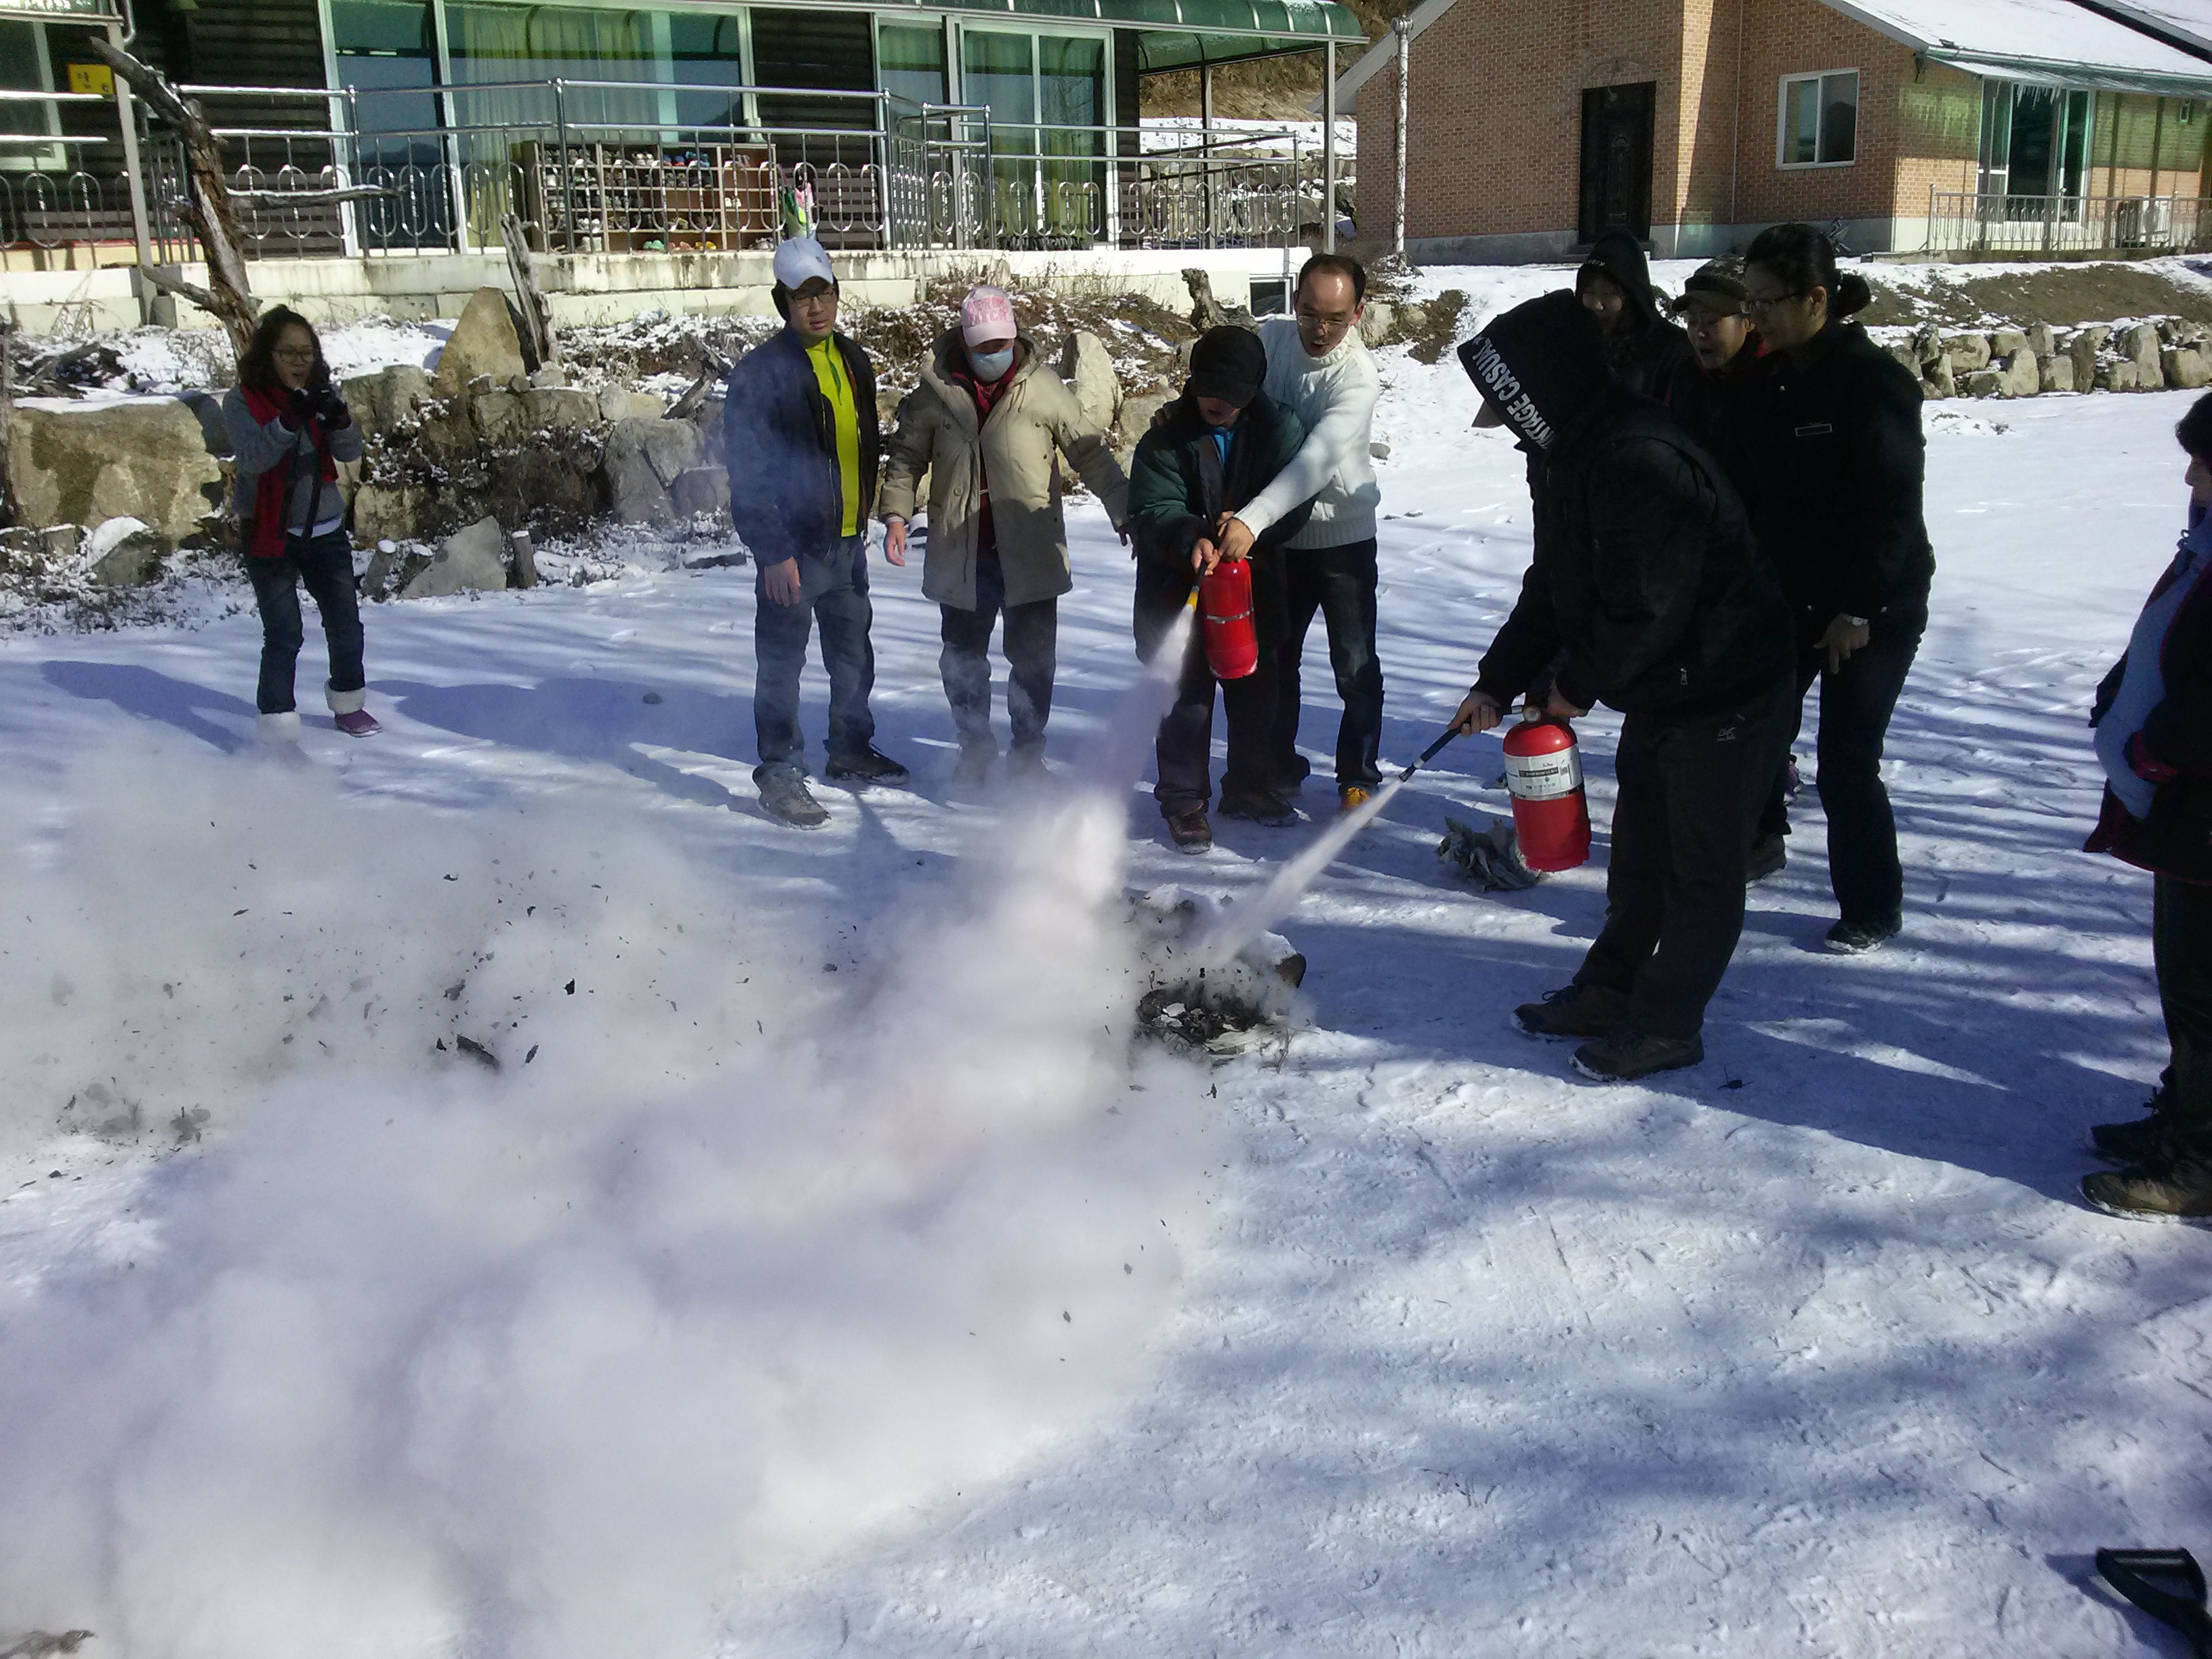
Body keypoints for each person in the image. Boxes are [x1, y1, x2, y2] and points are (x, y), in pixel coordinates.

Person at [1451, 291, 1794, 1082]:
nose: (1510, 428)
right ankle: (1609, 992)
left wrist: (1574, 686)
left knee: (1701, 871)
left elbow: (1650, 604)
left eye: (1514, 408)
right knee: (1639, 860)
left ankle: (1668, 1025)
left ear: (1547, 388)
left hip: (1728, 682)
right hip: (1666, 686)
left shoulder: (1640, 457)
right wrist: (1496, 681)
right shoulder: (1565, 452)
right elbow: (1553, 584)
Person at [1731, 223, 1934, 948]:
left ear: (1816, 298)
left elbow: (1892, 508)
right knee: (1753, 730)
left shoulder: (1873, 383)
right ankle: (1749, 850)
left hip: (1873, 604)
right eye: (1750, 302)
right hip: (1792, 593)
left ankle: (1872, 906)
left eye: (1768, 302)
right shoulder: (1768, 379)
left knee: (1846, 760)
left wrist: (1861, 607)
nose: (1756, 316)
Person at [879, 284, 1128, 790]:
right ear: (965, 344)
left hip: (1030, 550)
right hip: (961, 551)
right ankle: (974, 749)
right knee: (962, 660)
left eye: (1002, 344)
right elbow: (906, 457)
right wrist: (897, 514)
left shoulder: (1043, 388)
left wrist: (1125, 511)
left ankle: (1027, 756)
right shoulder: (935, 392)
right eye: (984, 347)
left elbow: (1090, 453)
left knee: (1034, 662)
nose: (995, 354)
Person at [723, 236, 909, 828]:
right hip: (793, 551)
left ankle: (850, 748)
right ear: (782, 302)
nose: (816, 307)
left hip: (847, 543)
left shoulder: (852, 359)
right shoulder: (760, 374)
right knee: (781, 665)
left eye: (824, 293)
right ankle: (779, 772)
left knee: (853, 658)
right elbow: (748, 471)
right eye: (802, 297)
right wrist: (772, 551)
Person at [2080, 394, 2212, 1223]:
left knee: (2206, 992)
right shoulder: (2206, 542)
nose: (2191, 476)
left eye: (2206, 462)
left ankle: (2200, 1163)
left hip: (2200, 803)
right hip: (2182, 806)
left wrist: (2152, 748)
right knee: (2187, 983)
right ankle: (2185, 1118)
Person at [1204, 253, 1385, 813]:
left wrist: (1250, 520)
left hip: (1340, 539)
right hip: (1281, 538)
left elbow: (1314, 462)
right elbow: (1235, 400)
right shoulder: (1274, 339)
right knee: (1277, 659)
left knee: (1354, 664)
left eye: (1334, 318)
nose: (1319, 330)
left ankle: (1358, 773)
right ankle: (1278, 766)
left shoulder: (1358, 379)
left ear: (1358, 313)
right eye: (1309, 313)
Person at [1128, 327, 1312, 853]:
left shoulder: (1280, 430)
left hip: (1253, 590)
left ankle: (1250, 787)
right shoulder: (1166, 436)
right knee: (1185, 698)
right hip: (1177, 588)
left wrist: (1253, 523)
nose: (1216, 400)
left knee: (1257, 692)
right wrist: (1191, 534)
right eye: (1207, 387)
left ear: (1254, 388)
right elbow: (1152, 506)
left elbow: (1295, 499)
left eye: (1230, 392)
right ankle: (1184, 801)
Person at [224, 306, 377, 745]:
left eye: (306, 353)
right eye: (288, 353)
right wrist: (287, 421)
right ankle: (277, 723)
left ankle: (348, 702)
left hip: (325, 528)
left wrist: (339, 419)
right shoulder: (242, 400)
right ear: (267, 355)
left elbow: (349, 452)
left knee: (345, 624)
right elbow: (253, 458)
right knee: (284, 632)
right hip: (269, 533)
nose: (299, 362)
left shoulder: (322, 391)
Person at [1664, 256, 1761, 468]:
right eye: (1692, 321)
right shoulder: (1686, 377)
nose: (1700, 333)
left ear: (1749, 321)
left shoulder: (1774, 380)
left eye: (1712, 321)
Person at [1576, 230, 1692, 400]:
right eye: (1589, 292)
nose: (1597, 305)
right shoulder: (1576, 344)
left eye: (1609, 294)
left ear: (1632, 297)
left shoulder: (1672, 350)